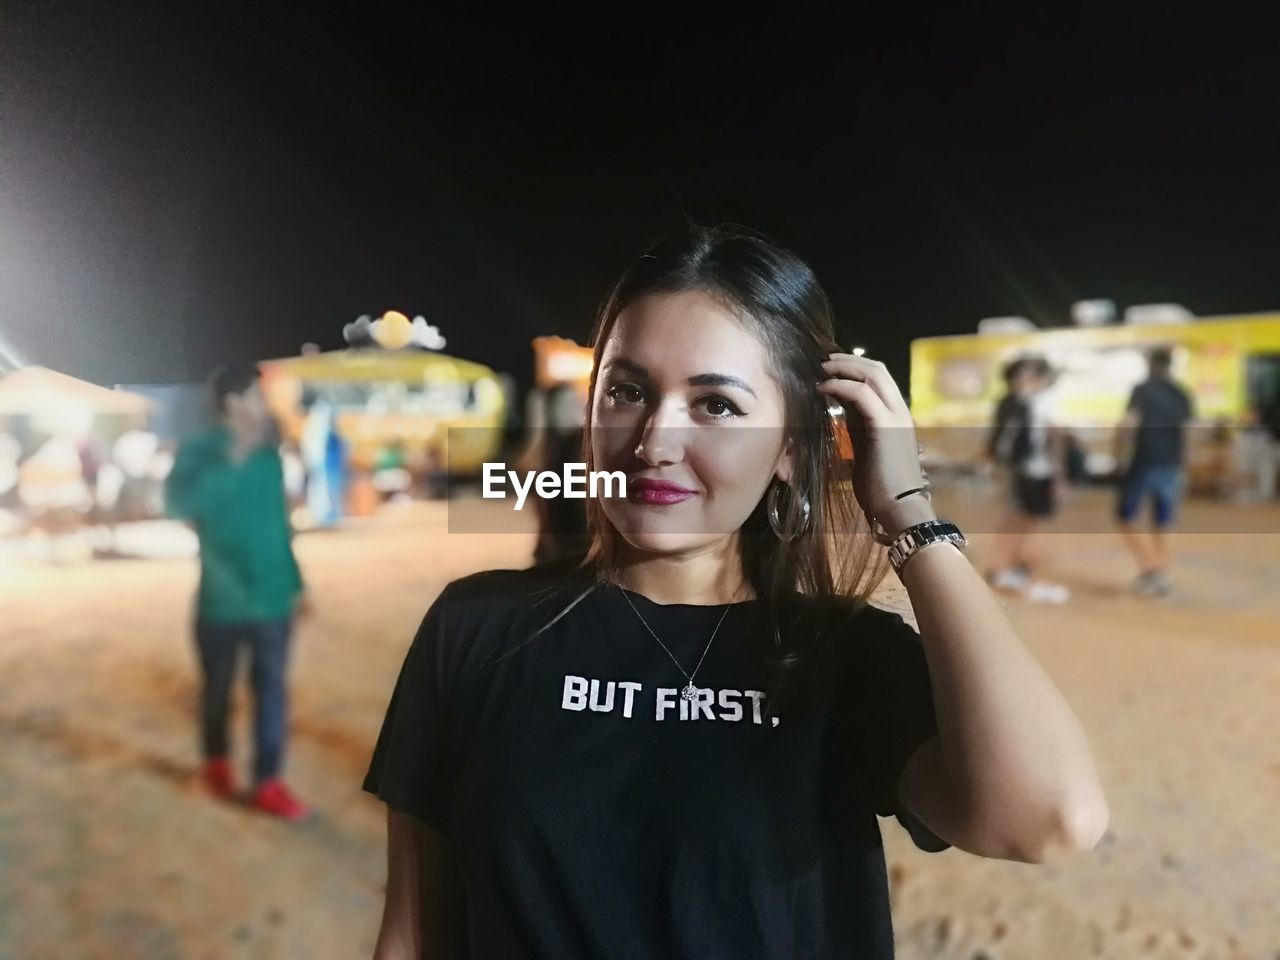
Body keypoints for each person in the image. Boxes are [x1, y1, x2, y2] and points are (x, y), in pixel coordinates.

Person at [363, 226, 1107, 960]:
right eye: (627, 390)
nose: (654, 442)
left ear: (790, 446)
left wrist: (908, 511)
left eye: (716, 405)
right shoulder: (477, 629)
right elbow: (413, 934)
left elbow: (1050, 818)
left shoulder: (841, 657)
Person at [166, 363, 311, 820]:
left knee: (271, 691)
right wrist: (232, 462)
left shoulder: (269, 458)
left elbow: (279, 528)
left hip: (271, 600)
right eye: (256, 396)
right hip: (221, 600)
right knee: (218, 689)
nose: (263, 405)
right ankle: (217, 764)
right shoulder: (201, 451)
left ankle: (268, 780)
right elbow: (179, 504)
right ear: (232, 402)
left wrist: (297, 584)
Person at [985, 356, 1070, 603]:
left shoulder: (1013, 402)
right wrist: (1060, 477)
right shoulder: (1036, 402)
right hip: (1032, 473)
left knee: (1018, 522)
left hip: (1020, 471)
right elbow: (1055, 441)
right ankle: (1033, 580)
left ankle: (1005, 570)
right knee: (1036, 525)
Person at [1114, 347, 1195, 597]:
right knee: (1164, 520)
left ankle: (1151, 567)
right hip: (1172, 463)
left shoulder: (1142, 390)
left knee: (1125, 516)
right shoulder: (1182, 392)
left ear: (1149, 363)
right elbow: (1187, 431)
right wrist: (1185, 464)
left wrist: (1117, 454)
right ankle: (1163, 574)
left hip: (1145, 461)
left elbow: (1128, 423)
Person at [531, 382, 590, 565]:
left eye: (576, 402)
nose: (576, 409)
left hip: (567, 553)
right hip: (562, 554)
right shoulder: (557, 448)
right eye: (567, 404)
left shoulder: (577, 445)